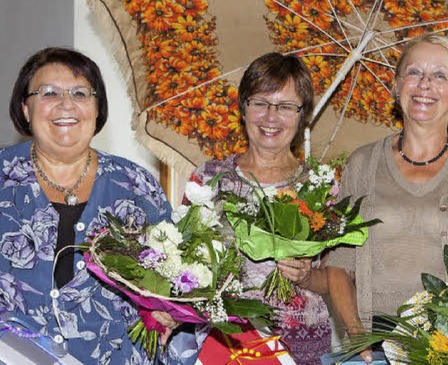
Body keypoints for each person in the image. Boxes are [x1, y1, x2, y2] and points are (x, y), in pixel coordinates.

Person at [0, 47, 197, 363]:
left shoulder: (136, 185)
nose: (67, 104)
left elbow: (178, 282)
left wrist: (170, 310)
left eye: (80, 93)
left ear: (97, 108)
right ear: (25, 108)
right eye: (49, 93)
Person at [325, 33, 448, 361]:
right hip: (375, 346)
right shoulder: (362, 163)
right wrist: (357, 335)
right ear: (397, 86)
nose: (425, 84)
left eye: (440, 75)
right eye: (414, 73)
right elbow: (340, 265)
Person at [187, 52, 331, 365]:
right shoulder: (208, 179)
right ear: (243, 107)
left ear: (302, 114)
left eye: (285, 106)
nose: (271, 116)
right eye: (260, 103)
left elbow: (341, 276)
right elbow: (181, 265)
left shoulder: (320, 187)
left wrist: (307, 277)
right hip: (221, 345)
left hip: (299, 347)